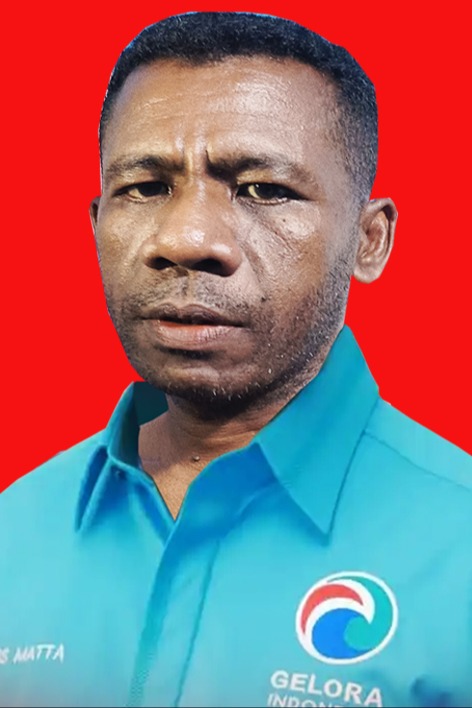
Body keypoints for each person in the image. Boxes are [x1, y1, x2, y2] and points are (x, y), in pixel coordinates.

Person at [0, 11, 470, 708]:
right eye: (146, 187)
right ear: (97, 226)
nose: (187, 239)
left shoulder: (459, 546)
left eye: (263, 189)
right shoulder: (14, 529)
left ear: (369, 240)